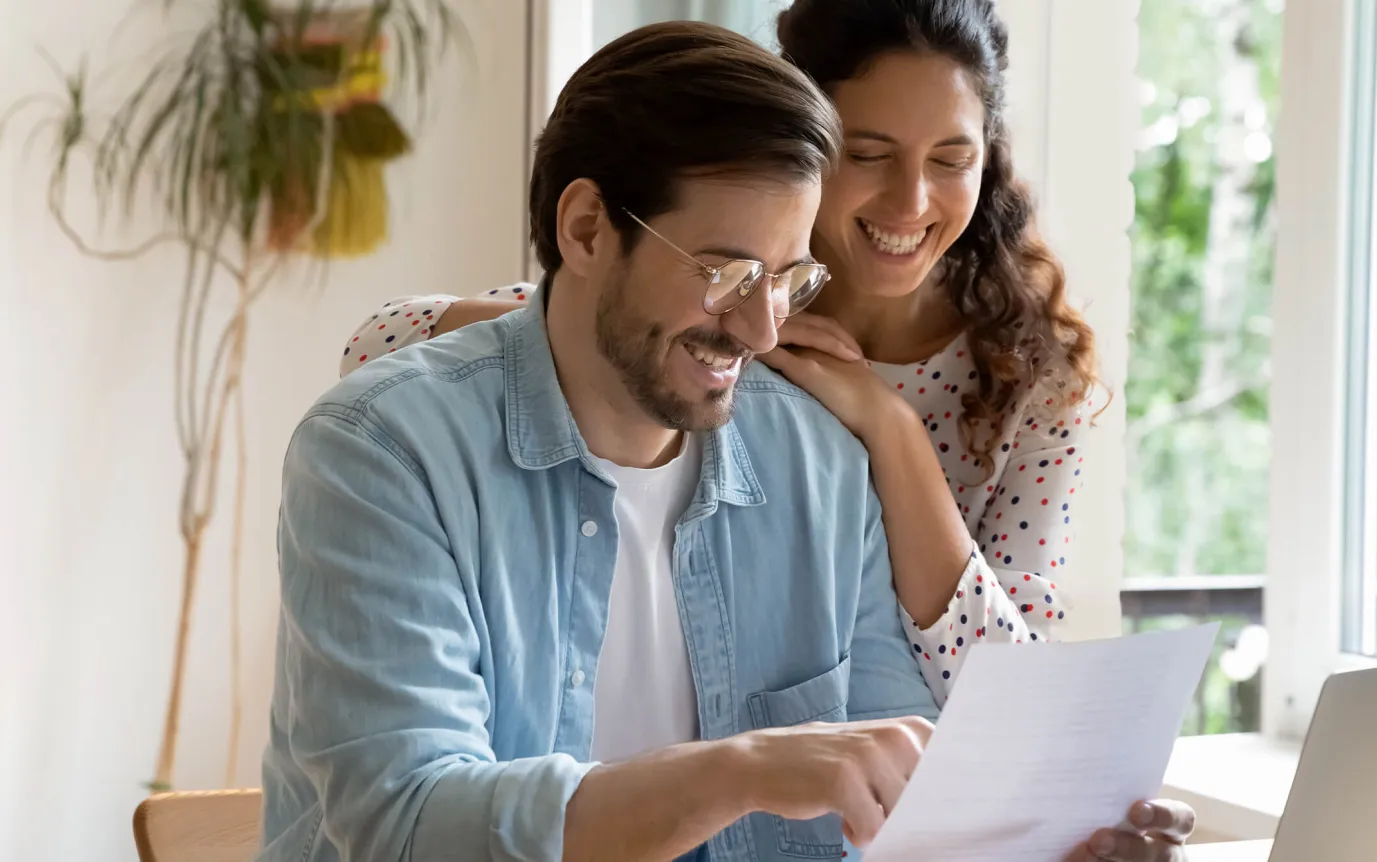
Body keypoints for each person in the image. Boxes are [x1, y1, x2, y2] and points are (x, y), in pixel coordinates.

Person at [262, 18, 1189, 862]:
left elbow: (899, 813)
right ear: (586, 229)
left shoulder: (822, 462)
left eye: (788, 280)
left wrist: (1045, 848)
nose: (758, 330)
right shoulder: (384, 453)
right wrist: (744, 770)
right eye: (727, 272)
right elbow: (407, 826)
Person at [343, 0, 1100, 707]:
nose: (911, 202)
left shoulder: (1027, 375)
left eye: (950, 160)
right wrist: (603, 321)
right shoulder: (698, 320)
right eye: (868, 154)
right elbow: (378, 346)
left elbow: (1013, 695)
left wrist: (890, 431)